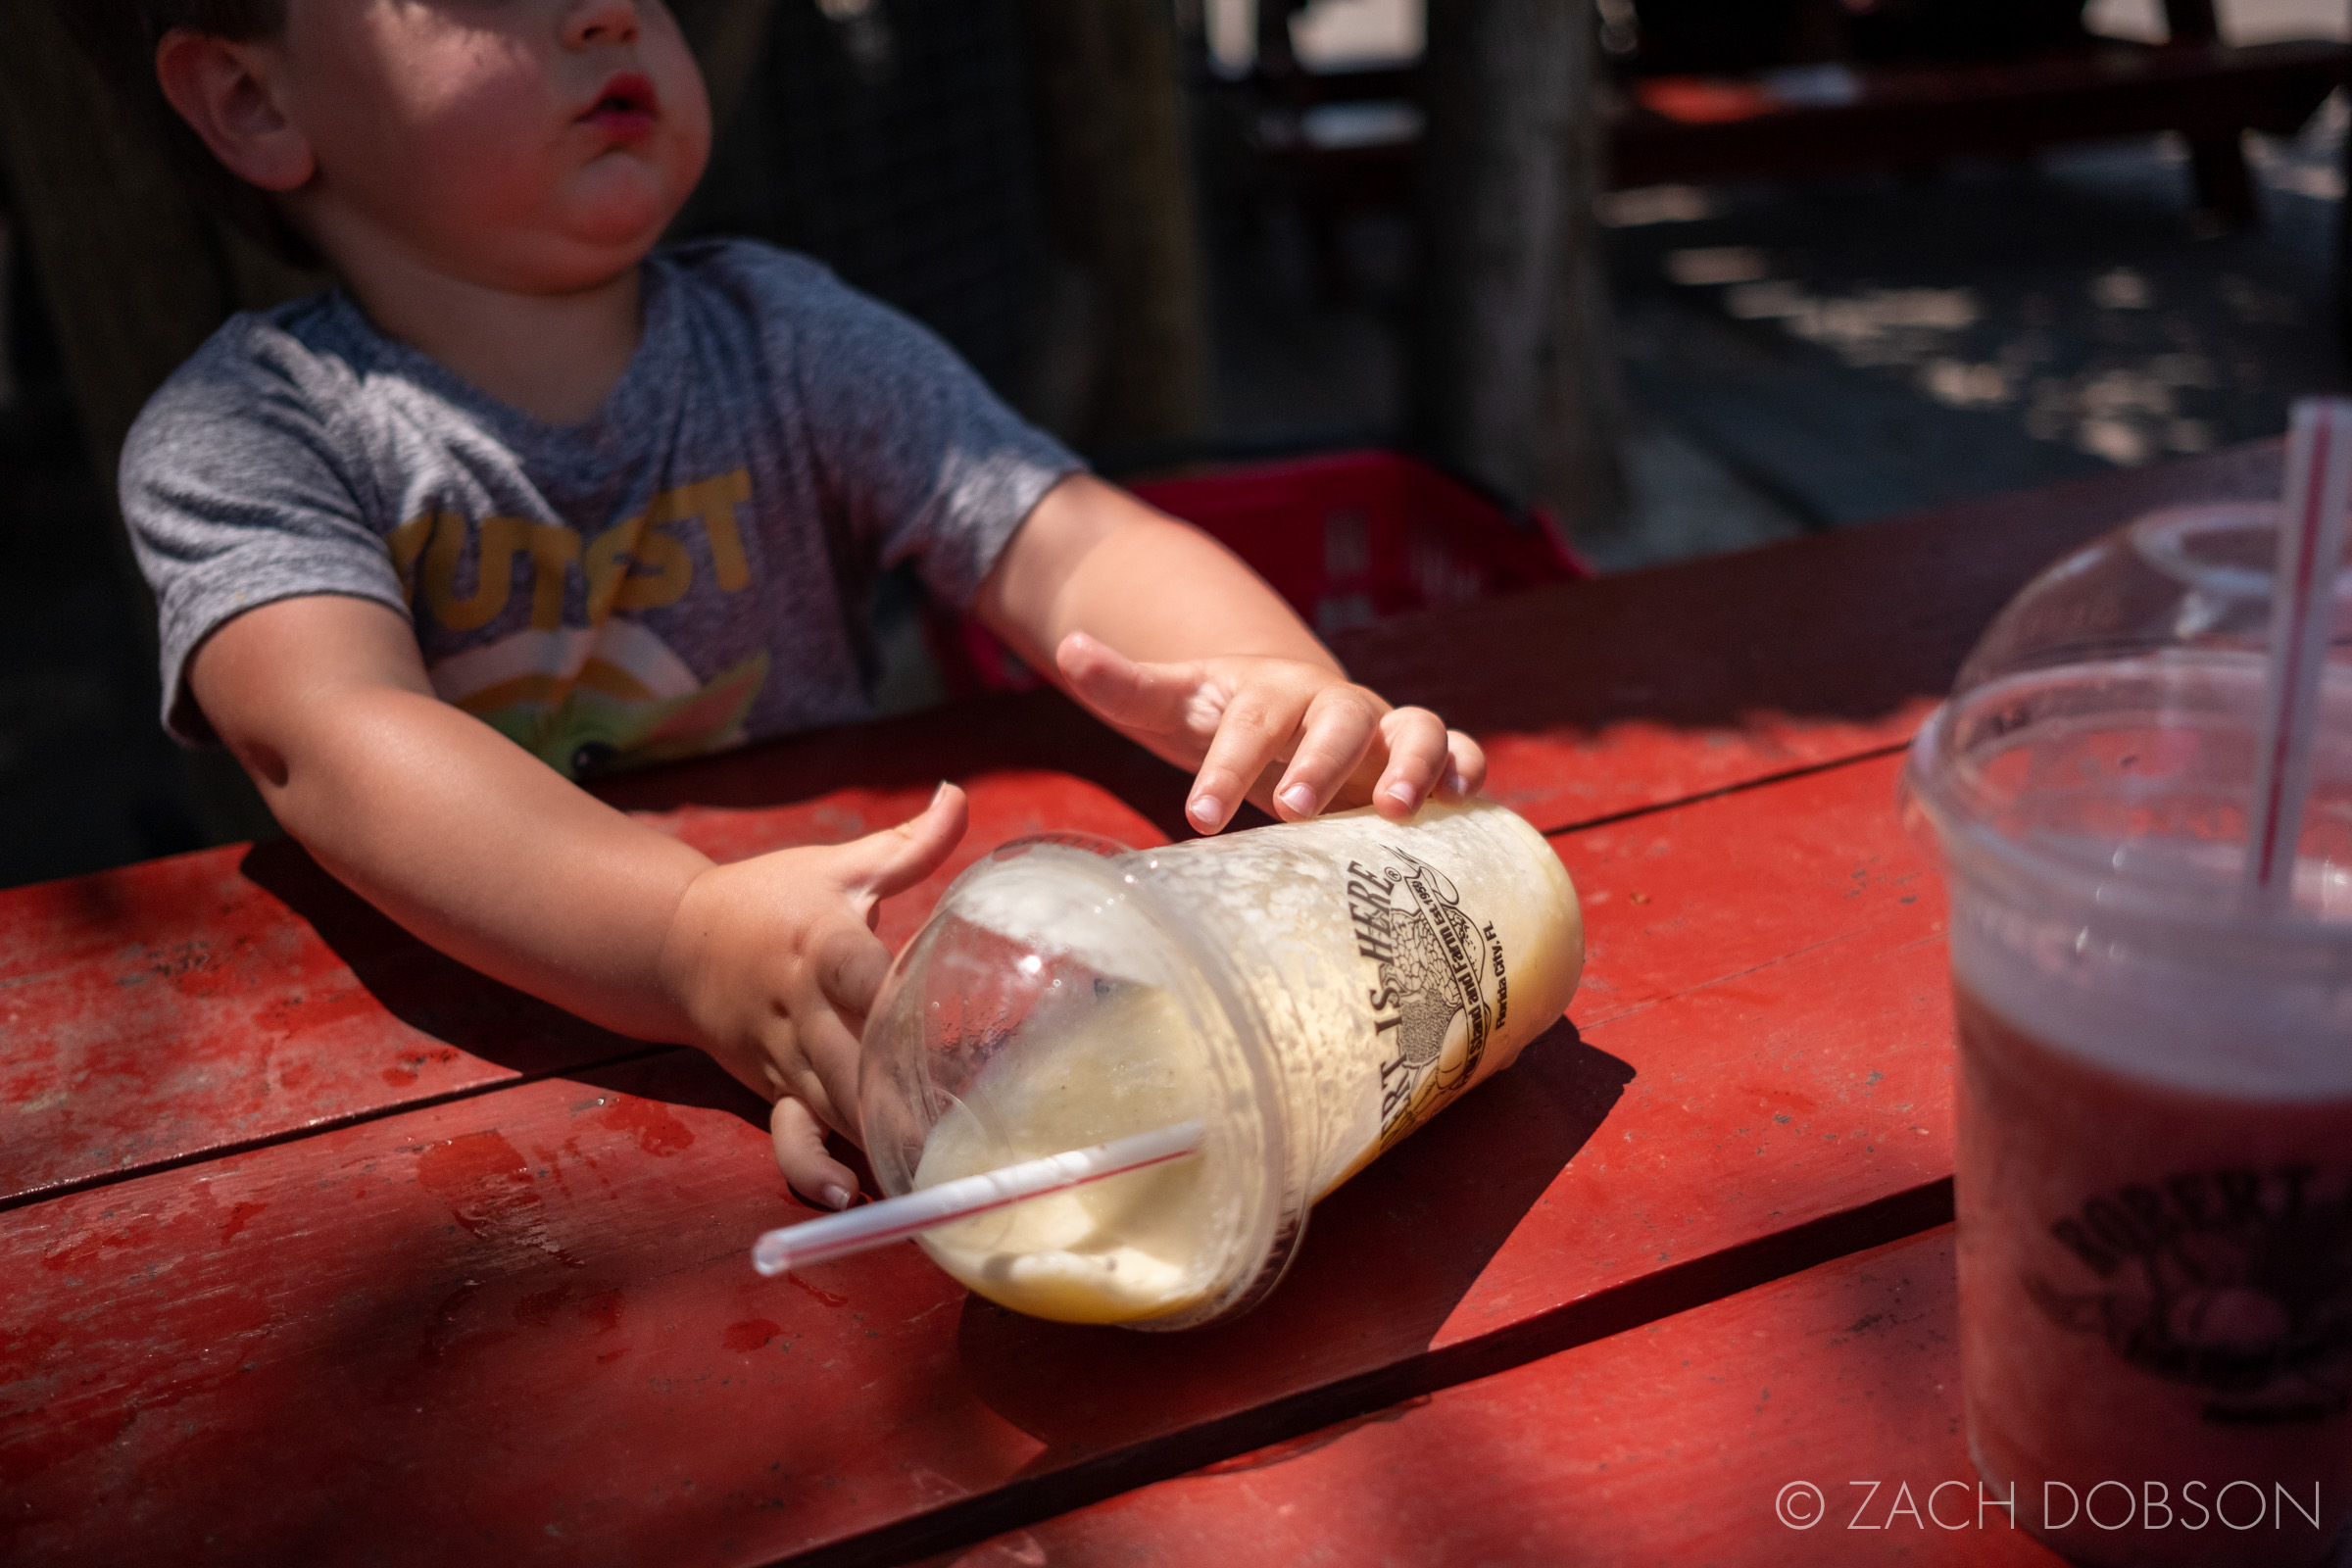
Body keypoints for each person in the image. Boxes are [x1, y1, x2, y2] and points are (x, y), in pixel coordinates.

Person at [88, 0, 1488, 1208]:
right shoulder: (244, 435)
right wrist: (683, 945)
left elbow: (1063, 534)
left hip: (841, 991)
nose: (605, 14)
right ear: (252, 99)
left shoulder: (791, 338)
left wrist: (1268, 684)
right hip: (443, 1104)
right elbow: (328, 737)